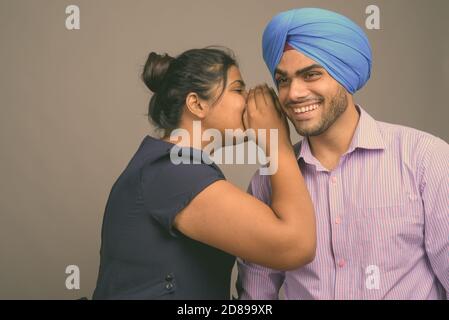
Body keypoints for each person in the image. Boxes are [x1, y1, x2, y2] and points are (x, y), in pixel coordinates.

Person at [237, 8, 449, 299]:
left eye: (311, 74)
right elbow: (256, 294)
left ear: (345, 75)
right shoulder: (268, 180)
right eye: (283, 80)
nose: (294, 93)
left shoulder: (426, 159)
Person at [92, 47, 316, 299]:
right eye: (238, 89)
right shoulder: (173, 173)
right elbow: (296, 246)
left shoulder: (174, 167)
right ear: (197, 104)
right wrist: (277, 143)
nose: (249, 98)